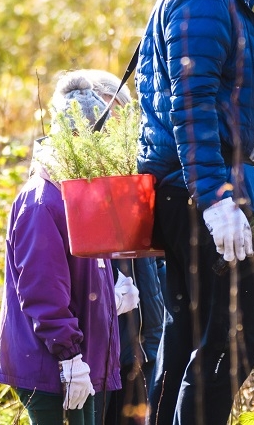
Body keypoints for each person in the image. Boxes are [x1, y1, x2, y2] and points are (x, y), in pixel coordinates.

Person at [135, 0, 254, 425]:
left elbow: (201, 93)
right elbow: (188, 102)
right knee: (232, 343)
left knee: (188, 337)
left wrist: (245, 125)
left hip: (186, 185)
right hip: (199, 191)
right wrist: (217, 197)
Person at [0, 70, 141, 425]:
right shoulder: (42, 201)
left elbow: (87, 273)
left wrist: (111, 297)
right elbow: (43, 290)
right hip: (52, 369)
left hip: (85, 360)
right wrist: (68, 356)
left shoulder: (78, 192)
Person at [84, 69, 166, 425]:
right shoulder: (77, 187)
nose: (111, 132)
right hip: (102, 362)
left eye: (120, 120)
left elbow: (155, 262)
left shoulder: (133, 179)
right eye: (104, 118)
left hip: (145, 349)